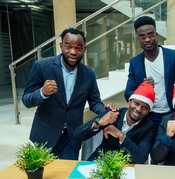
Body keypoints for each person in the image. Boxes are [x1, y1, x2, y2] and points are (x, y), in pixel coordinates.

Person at [22, 28, 116, 160]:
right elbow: (26, 100)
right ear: (61, 46)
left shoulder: (89, 74)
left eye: (78, 48)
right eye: (68, 47)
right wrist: (42, 93)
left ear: (84, 49)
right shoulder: (42, 66)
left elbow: (95, 102)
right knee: (47, 178)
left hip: (72, 137)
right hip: (45, 136)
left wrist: (104, 110)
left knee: (68, 177)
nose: (73, 52)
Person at [124, 16, 175, 125]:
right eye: (142, 36)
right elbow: (128, 94)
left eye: (150, 35)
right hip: (148, 116)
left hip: (172, 114)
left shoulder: (174, 57)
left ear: (156, 35)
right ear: (138, 39)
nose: (147, 39)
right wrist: (142, 87)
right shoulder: (135, 63)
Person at [74, 82, 156, 163]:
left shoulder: (149, 127)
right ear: (129, 101)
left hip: (126, 169)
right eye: (136, 103)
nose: (138, 109)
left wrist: (121, 136)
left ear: (149, 111)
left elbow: (141, 158)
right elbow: (77, 135)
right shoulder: (112, 113)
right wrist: (98, 123)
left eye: (144, 107)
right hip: (99, 162)